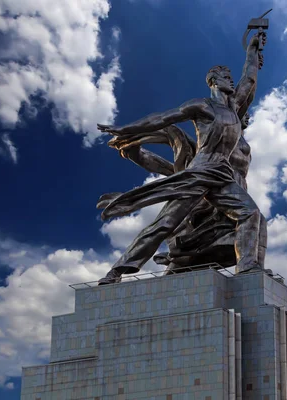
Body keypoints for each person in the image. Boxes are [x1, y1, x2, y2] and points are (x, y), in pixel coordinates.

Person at [96, 33, 267, 284]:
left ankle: (248, 266)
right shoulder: (202, 105)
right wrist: (127, 130)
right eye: (226, 78)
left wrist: (252, 51)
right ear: (213, 81)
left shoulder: (233, 109)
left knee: (251, 214)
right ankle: (116, 272)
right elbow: (163, 118)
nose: (232, 82)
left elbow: (250, 79)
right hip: (200, 172)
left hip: (222, 176)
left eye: (232, 78)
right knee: (165, 224)